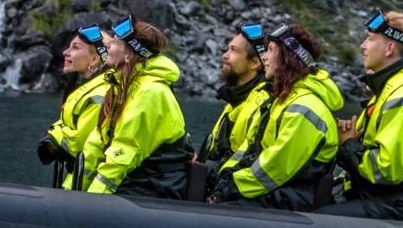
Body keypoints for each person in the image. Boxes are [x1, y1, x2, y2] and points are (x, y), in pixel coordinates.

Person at [315, 8, 403, 222]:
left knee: (321, 220)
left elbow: (386, 171)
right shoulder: (390, 91)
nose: (363, 46)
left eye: (369, 39)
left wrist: (350, 145)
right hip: (388, 198)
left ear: (389, 48)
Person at [209, 23, 344, 210]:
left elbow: (273, 169)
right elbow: (247, 150)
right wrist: (223, 178)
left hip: (293, 196)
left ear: (288, 58)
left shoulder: (305, 109)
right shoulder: (280, 100)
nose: (264, 56)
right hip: (274, 190)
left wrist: (230, 187)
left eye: (271, 50)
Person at [82, 15, 193, 198]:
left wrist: (94, 200)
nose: (108, 45)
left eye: (116, 43)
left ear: (128, 54)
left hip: (156, 186)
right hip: (138, 179)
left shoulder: (151, 92)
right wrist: (70, 190)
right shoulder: (121, 87)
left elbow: (123, 152)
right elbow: (97, 142)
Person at [198, 22, 271, 188]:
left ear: (255, 63)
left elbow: (245, 160)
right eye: (227, 49)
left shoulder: (260, 102)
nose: (225, 55)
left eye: (234, 50)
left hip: (227, 189)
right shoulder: (236, 100)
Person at [37, 24, 109, 188]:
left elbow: (78, 144)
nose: (65, 52)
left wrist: (53, 138)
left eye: (75, 48)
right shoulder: (87, 87)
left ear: (94, 59)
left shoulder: (101, 94)